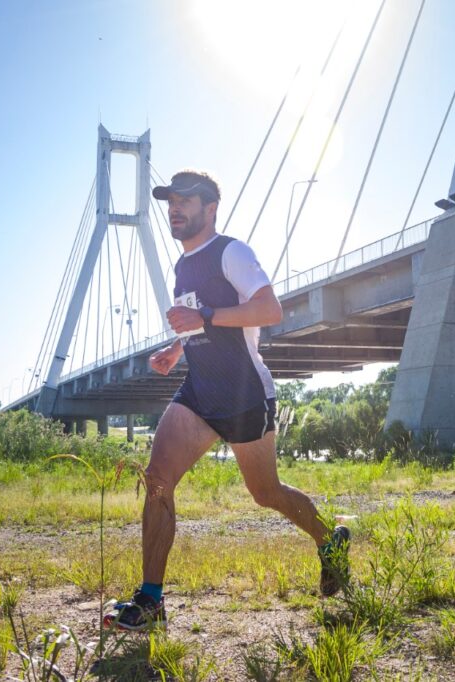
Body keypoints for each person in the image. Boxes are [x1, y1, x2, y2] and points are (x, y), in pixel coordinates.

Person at [103, 170, 349, 632]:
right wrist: (177, 349)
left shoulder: (231, 252)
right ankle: (151, 599)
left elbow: (269, 309)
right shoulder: (181, 267)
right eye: (170, 201)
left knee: (266, 493)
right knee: (157, 480)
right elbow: (200, 324)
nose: (175, 208)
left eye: (185, 201)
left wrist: (207, 314)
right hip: (199, 389)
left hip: (242, 391)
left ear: (210, 208)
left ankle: (330, 542)